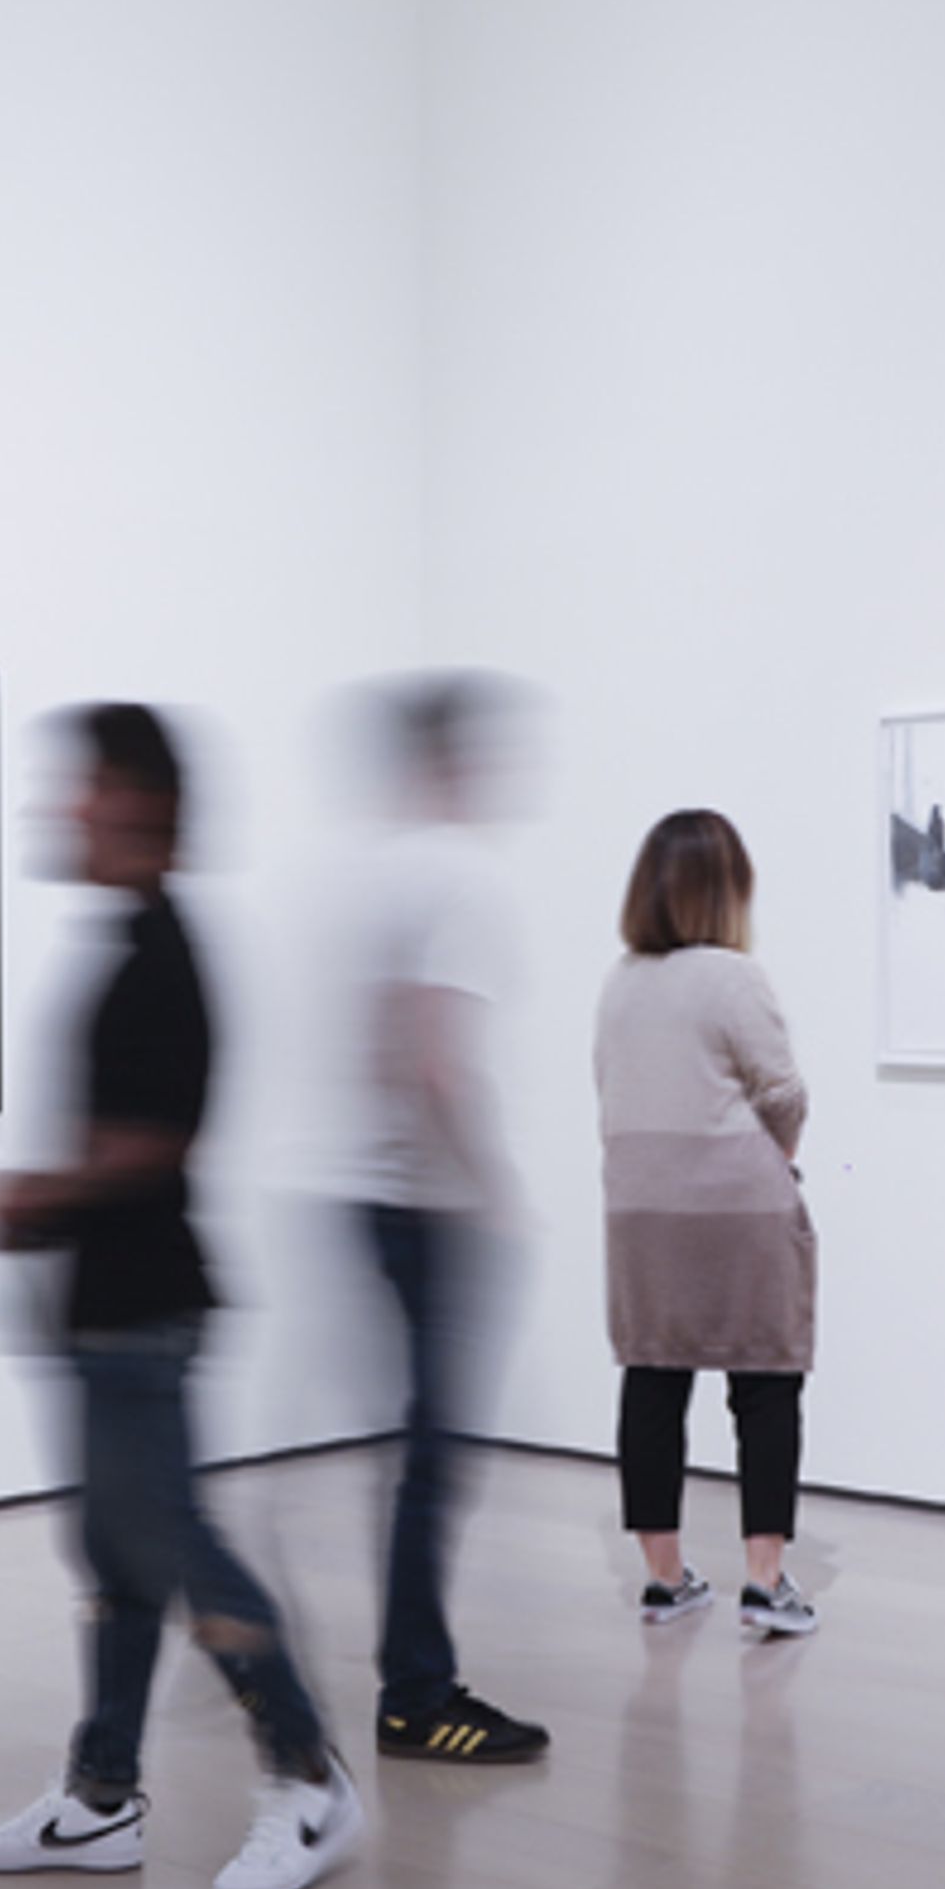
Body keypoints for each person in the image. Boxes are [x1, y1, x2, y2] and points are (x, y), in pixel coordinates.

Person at [0, 703, 363, 1889]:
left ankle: (308, 1775)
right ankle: (98, 1801)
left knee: (172, 1544)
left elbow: (155, 1140)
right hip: (101, 1303)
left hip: (143, 1305)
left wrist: (31, 1190)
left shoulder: (167, 954)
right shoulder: (131, 941)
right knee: (119, 1561)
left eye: (79, 786)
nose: (59, 806)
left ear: (136, 802)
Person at [347, 677, 548, 1764]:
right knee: (434, 1456)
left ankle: (404, 1680)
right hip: (426, 1200)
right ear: (458, 759)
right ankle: (417, 1694)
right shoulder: (463, 875)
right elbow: (433, 1055)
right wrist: (496, 1186)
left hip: (358, 1191)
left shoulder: (366, 870)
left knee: (412, 1450)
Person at [595, 809, 821, 1638]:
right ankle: (764, 1581)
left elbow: (608, 1095)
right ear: (729, 889)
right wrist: (778, 1156)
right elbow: (784, 1093)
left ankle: (664, 1579)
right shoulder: (736, 976)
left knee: (651, 1377)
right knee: (765, 1383)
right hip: (738, 1206)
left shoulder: (619, 981)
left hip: (639, 1210)